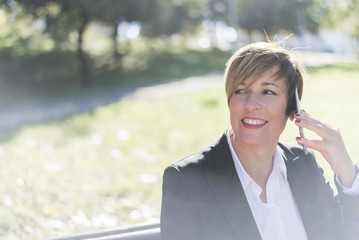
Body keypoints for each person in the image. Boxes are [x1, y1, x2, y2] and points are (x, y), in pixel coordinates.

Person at [160, 42, 359, 240]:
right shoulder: (187, 180)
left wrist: (348, 174)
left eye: (268, 91)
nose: (251, 104)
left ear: (291, 109)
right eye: (240, 90)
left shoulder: (304, 165)